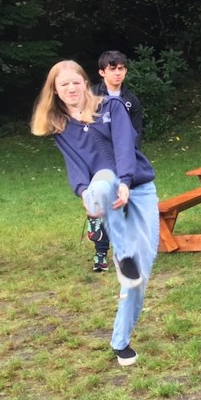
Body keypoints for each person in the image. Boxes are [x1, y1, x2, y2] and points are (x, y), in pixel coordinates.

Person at [31, 60, 159, 366]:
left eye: (75, 82)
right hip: (103, 185)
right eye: (64, 85)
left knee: (140, 274)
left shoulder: (111, 107)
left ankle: (120, 340)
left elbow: (125, 147)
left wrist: (126, 182)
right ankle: (111, 238)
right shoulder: (62, 127)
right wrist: (82, 192)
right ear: (56, 91)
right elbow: (76, 168)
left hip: (138, 187)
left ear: (85, 83)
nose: (71, 89)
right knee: (101, 184)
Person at [85, 50, 144, 273]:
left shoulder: (131, 100)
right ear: (102, 72)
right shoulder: (91, 97)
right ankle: (100, 254)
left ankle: (122, 253)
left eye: (121, 68)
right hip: (98, 160)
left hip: (124, 161)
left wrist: (131, 158)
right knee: (101, 205)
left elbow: (137, 132)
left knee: (120, 205)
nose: (117, 73)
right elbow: (84, 129)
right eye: (112, 69)